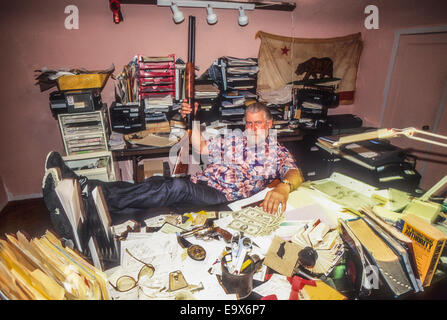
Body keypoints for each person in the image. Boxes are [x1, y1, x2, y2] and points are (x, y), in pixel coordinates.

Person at [43, 101, 303, 225]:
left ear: (269, 125)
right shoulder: (234, 141)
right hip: (200, 183)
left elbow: (295, 173)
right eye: (248, 122)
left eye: (258, 123)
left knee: (171, 188)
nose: (252, 127)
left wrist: (283, 188)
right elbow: (201, 146)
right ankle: (83, 185)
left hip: (222, 196)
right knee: (157, 184)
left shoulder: (276, 151)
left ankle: (86, 197)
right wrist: (194, 118)